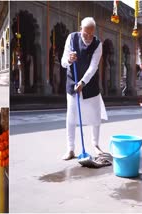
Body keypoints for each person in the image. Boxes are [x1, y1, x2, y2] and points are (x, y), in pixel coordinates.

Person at [61, 17, 108, 160]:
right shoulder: (72, 38)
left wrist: (83, 82)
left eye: (91, 34)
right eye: (85, 34)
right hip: (72, 81)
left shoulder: (98, 44)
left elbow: (93, 67)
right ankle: (70, 148)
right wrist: (69, 59)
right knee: (71, 115)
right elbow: (63, 62)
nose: (88, 37)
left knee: (95, 115)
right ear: (80, 28)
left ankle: (95, 145)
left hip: (90, 83)